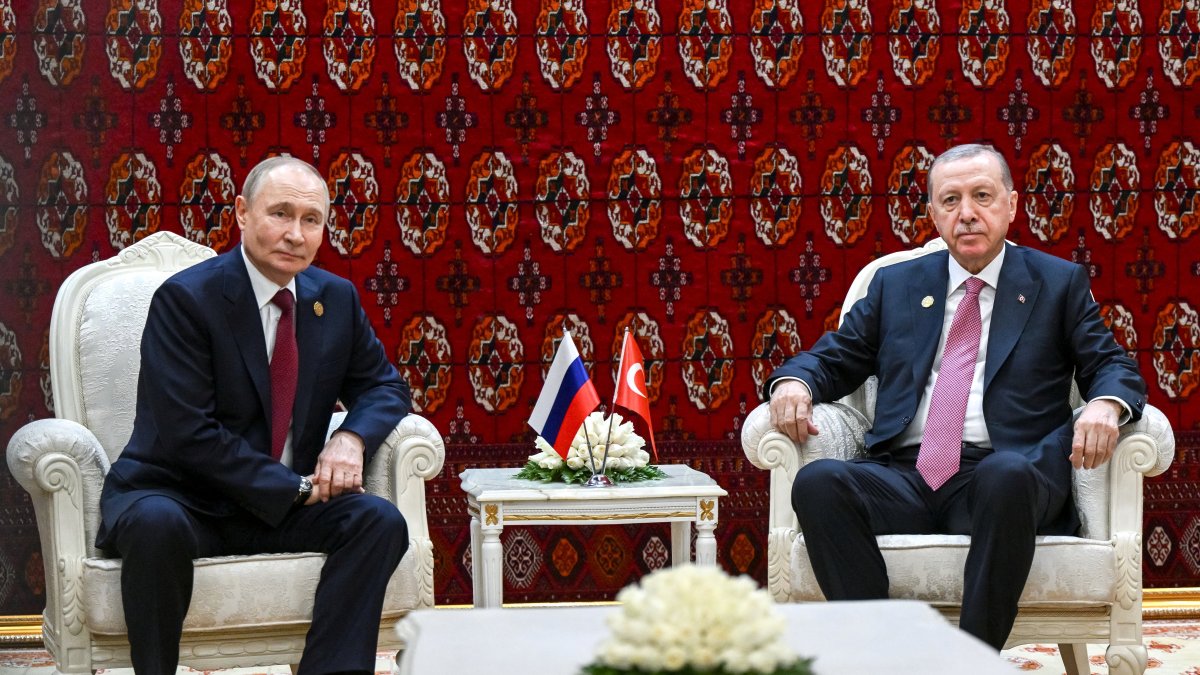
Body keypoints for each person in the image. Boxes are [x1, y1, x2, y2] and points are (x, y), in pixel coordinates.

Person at [764, 144, 1145, 650]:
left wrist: (1105, 405)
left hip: (1008, 478)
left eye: (982, 196)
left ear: (1011, 204)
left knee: (1003, 475)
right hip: (908, 474)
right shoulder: (895, 284)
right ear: (933, 214)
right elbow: (836, 357)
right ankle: (885, 656)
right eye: (950, 200)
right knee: (818, 482)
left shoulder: (1056, 283)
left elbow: (1113, 365)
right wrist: (795, 383)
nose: (967, 213)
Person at [96, 156, 412, 675]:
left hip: (282, 503)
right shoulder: (187, 300)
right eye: (280, 213)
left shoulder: (333, 299)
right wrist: (293, 488)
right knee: (155, 523)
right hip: (182, 495)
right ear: (242, 213)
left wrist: (351, 437)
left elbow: (384, 385)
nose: (295, 233)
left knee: (378, 520)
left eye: (311, 220)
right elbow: (188, 434)